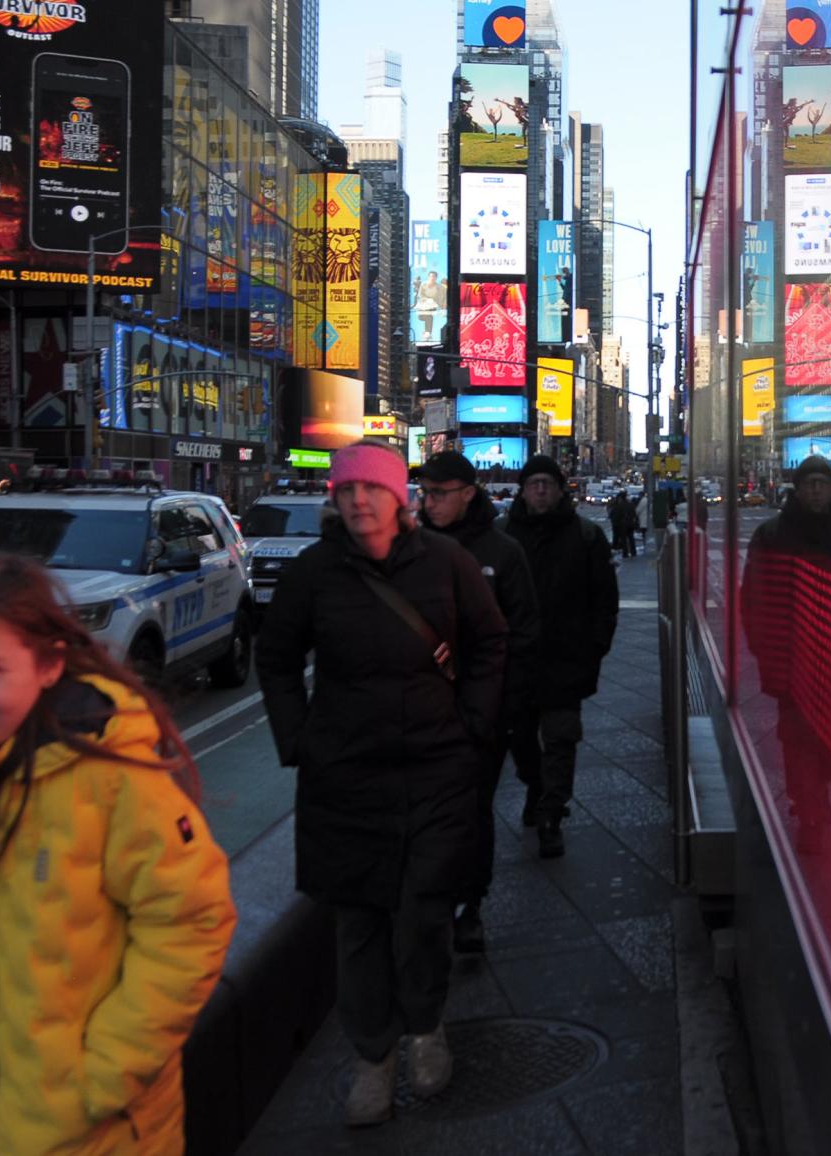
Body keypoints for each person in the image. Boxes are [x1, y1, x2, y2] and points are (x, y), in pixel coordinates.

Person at [0, 553, 235, 1156]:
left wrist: (106, 1072)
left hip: (103, 1132)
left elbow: (191, 922)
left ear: (49, 664)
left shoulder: (113, 777)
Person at [256, 441, 508, 1126]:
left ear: (401, 500)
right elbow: (275, 657)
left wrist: (472, 726)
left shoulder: (448, 565)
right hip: (345, 779)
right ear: (334, 501)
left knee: (424, 914)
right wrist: (299, 739)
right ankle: (375, 1054)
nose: (359, 501)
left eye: (373, 490)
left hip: (434, 769)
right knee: (359, 921)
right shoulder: (314, 573)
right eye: (347, 491)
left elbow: (490, 642)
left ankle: (425, 1027)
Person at [414, 450, 542, 954]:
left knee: (471, 812)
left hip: (479, 715)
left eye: (440, 494)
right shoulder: (409, 548)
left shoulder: (503, 552)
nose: (430, 502)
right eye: (425, 493)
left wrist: (499, 708)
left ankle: (470, 905)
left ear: (469, 493)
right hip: (420, 711)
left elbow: (524, 635)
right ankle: (431, 903)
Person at [740, 455, 831, 851]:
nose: (815, 490)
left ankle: (815, 790)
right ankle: (809, 806)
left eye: (821, 483)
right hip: (792, 659)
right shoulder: (772, 535)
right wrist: (765, 650)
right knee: (797, 738)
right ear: (798, 487)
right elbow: (753, 598)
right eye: (808, 483)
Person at [504, 454, 620, 859]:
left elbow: (605, 600)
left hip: (566, 660)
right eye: (533, 483)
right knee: (520, 741)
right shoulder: (501, 535)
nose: (540, 490)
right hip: (514, 663)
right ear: (523, 489)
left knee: (561, 739)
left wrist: (595, 648)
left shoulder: (586, 536)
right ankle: (536, 787)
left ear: (558, 489)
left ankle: (552, 814)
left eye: (547, 484)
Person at [607, 489, 640, 559]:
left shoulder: (619, 506)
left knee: (624, 539)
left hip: (623, 525)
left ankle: (625, 553)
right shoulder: (630, 504)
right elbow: (634, 514)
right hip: (631, 524)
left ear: (620, 498)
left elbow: (616, 516)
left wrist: (615, 525)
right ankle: (633, 552)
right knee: (631, 538)